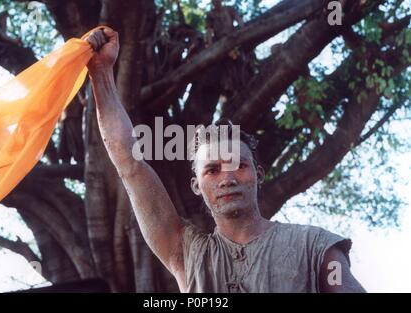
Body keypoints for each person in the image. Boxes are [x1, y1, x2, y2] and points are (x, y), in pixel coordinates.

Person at [85, 28, 366, 293]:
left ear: (259, 173)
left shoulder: (315, 246)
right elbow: (129, 163)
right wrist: (101, 73)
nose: (228, 178)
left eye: (239, 166)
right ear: (196, 185)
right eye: (212, 170)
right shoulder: (187, 253)